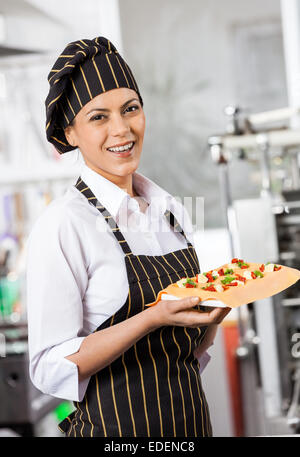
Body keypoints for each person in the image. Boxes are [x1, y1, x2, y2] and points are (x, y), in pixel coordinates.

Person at [26, 36, 231, 437]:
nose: (122, 129)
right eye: (98, 117)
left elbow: (185, 352)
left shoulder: (169, 210)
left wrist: (213, 315)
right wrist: (152, 317)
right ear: (70, 133)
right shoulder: (65, 224)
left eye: (130, 109)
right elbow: (49, 367)